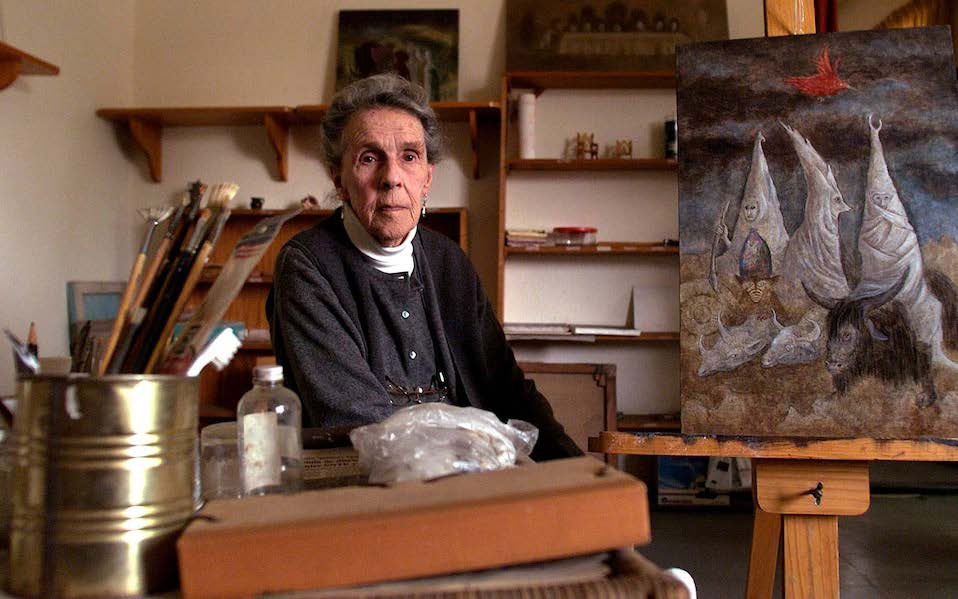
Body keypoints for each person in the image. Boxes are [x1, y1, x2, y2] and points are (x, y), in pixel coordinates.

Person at [267, 73, 582, 461]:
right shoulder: (307, 267)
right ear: (340, 179)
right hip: (369, 492)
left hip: (471, 475)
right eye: (369, 158)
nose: (392, 179)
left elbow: (507, 388)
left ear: (427, 178)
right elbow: (360, 426)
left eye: (410, 157)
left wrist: (576, 470)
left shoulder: (447, 260)